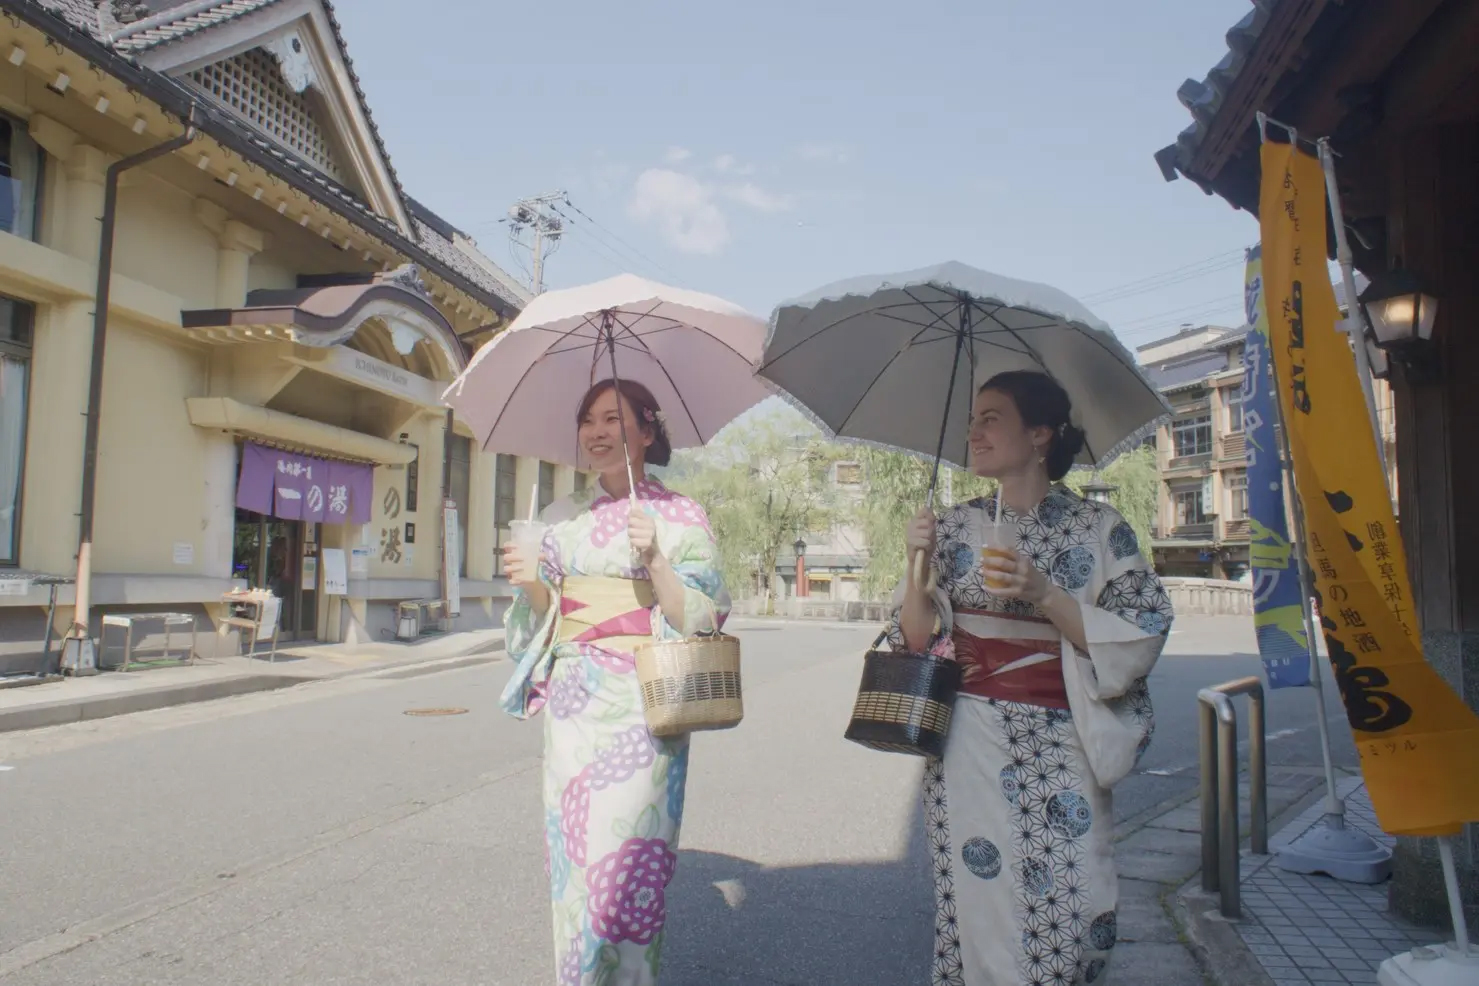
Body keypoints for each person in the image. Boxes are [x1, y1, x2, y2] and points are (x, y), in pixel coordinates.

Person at [890, 370, 1173, 986]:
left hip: (1062, 732)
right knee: (979, 898)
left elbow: (1144, 627)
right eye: (973, 419)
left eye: (992, 417)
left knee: (1078, 905)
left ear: (1040, 433)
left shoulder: (1099, 528)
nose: (975, 430)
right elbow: (914, 639)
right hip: (969, 738)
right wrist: (916, 562)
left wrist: (1046, 592)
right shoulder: (955, 525)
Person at [500, 377, 730, 986]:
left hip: (646, 706)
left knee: (629, 865)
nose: (597, 433)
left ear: (647, 431)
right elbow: (543, 620)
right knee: (575, 864)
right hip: (575, 705)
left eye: (613, 419)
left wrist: (655, 558)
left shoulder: (679, 516)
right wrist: (530, 583)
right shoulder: (559, 518)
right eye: (588, 421)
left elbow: (704, 619)